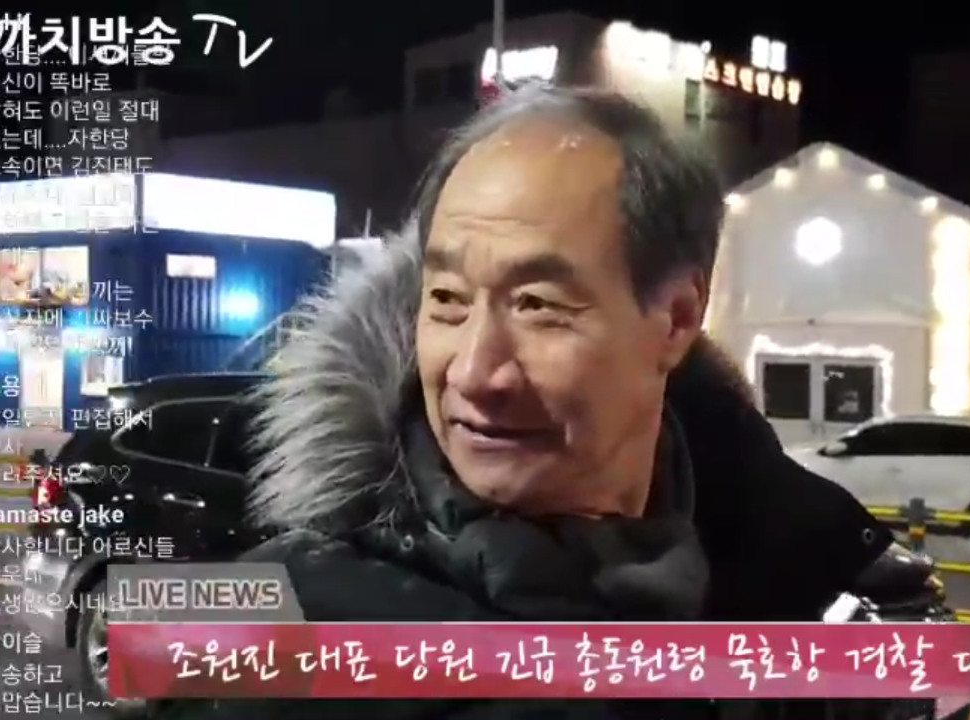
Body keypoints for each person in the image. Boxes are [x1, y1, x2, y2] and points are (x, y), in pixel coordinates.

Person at [153, 86, 894, 719]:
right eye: (446, 299)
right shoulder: (253, 620)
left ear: (675, 319)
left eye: (539, 305)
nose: (476, 371)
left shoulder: (817, 587)